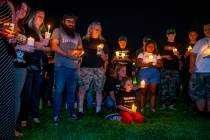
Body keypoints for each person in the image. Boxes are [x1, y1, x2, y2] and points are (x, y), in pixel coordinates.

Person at [51, 13, 83, 124]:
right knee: (58, 91)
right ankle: (56, 115)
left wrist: (78, 60)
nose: (71, 23)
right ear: (63, 21)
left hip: (73, 68)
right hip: (61, 67)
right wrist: (67, 54)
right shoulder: (57, 31)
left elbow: (80, 50)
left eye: (73, 21)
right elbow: (54, 46)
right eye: (69, 21)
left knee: (71, 92)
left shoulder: (77, 35)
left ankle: (71, 113)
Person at [20, 10, 49, 127]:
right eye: (39, 16)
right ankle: (23, 117)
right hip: (28, 64)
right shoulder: (26, 28)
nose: (41, 18)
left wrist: (44, 45)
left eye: (43, 17)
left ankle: (35, 115)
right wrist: (41, 44)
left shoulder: (41, 32)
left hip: (39, 65)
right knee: (27, 92)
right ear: (33, 17)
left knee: (36, 92)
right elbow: (28, 43)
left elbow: (44, 48)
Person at [78, 21, 109, 117]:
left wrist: (102, 54)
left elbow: (106, 58)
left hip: (98, 68)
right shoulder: (84, 40)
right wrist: (78, 69)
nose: (98, 30)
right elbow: (79, 56)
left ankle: (98, 110)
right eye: (96, 28)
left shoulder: (103, 42)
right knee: (82, 89)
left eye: (99, 28)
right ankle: (80, 110)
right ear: (90, 29)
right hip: (86, 68)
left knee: (99, 90)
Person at [13, 0, 30, 136]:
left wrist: (28, 47)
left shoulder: (22, 28)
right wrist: (19, 46)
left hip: (21, 65)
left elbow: (25, 46)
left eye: (26, 10)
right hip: (8, 64)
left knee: (16, 97)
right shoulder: (7, 23)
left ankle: (11, 127)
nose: (23, 12)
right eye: (22, 8)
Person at [0, 0, 16, 139]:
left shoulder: (8, 4)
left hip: (5, 52)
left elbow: (13, 29)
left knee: (5, 91)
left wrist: (12, 37)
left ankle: (5, 133)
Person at [189, 22, 210, 116]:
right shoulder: (200, 42)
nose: (208, 31)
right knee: (198, 92)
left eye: (209, 29)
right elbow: (193, 55)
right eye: (206, 29)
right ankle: (200, 112)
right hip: (199, 71)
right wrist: (192, 66)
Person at [159, 28, 182, 110]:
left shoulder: (179, 45)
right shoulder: (163, 44)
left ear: (175, 34)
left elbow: (180, 58)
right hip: (164, 69)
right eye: (169, 34)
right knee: (164, 87)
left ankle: (172, 104)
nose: (170, 35)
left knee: (173, 87)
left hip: (174, 70)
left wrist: (178, 55)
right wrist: (165, 56)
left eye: (172, 34)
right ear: (166, 35)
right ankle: (163, 104)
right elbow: (158, 56)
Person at [137, 40, 162, 112]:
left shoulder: (157, 55)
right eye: (149, 46)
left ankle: (152, 108)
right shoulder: (142, 54)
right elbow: (138, 64)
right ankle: (142, 107)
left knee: (153, 92)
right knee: (143, 92)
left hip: (154, 74)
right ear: (146, 47)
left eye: (152, 46)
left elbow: (160, 64)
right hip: (144, 74)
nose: (151, 48)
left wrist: (154, 65)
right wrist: (147, 65)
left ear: (154, 47)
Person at [182, 29, 199, 108]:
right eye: (191, 35)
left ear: (197, 35)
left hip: (198, 68)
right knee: (186, 84)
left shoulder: (199, 44)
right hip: (186, 68)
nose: (192, 36)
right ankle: (187, 102)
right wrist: (185, 55)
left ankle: (196, 103)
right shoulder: (185, 45)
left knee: (196, 85)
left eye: (194, 34)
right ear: (188, 36)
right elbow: (181, 58)